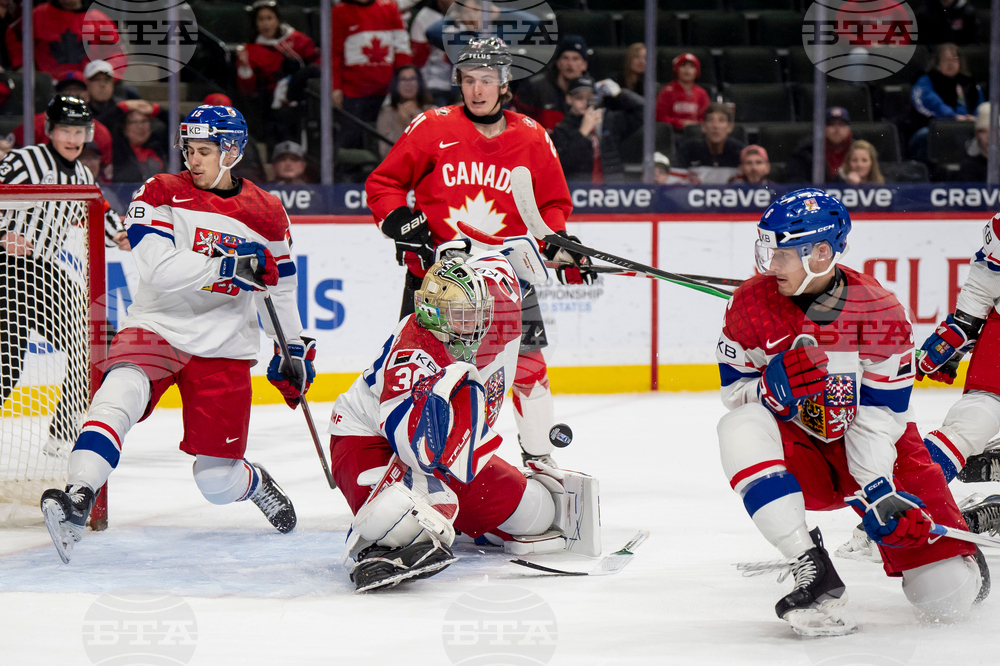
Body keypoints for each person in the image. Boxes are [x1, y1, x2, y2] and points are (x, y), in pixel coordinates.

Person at [39, 104, 308, 564]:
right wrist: (229, 265)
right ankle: (78, 496)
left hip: (224, 344)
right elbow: (157, 268)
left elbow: (279, 285)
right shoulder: (161, 190)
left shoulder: (266, 210)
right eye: (189, 149)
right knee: (117, 393)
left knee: (215, 482)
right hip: (157, 326)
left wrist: (293, 349)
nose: (193, 160)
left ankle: (253, 483)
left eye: (205, 150)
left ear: (232, 152)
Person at [716, 188, 988, 636]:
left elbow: (880, 419)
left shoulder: (881, 312)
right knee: (739, 425)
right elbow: (734, 391)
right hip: (803, 447)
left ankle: (968, 538)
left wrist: (878, 492)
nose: (771, 265)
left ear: (821, 253)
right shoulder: (749, 305)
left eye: (782, 254)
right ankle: (811, 565)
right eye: (768, 251)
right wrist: (768, 392)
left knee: (947, 600)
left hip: (881, 450)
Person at [366, 37, 594, 471]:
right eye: (468, 80)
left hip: (505, 280)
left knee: (528, 366)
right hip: (438, 280)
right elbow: (383, 184)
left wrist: (558, 241)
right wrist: (401, 223)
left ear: (504, 84)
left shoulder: (531, 136)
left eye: (486, 80)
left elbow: (550, 204)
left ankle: (540, 459)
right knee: (418, 371)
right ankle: (407, 460)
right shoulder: (431, 127)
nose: (476, 89)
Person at [327, 247, 600, 590]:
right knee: (402, 515)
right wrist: (437, 482)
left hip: (430, 452)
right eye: (461, 315)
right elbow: (410, 442)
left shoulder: (453, 335)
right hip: (364, 441)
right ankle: (376, 550)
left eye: (477, 314)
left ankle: (457, 521)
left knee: (536, 512)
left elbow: (498, 261)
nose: (474, 325)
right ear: (433, 312)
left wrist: (520, 255)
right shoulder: (413, 353)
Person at [0, 96, 126, 463]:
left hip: (41, 272)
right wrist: (2, 236)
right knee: (8, 364)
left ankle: (62, 431)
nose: (73, 139)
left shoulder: (83, 175)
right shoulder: (24, 161)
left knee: (96, 338)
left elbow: (99, 211)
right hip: (5, 268)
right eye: (66, 131)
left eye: (79, 131)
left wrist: (121, 235)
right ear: (50, 131)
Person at [331, 0, 412, 151]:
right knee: (350, 139)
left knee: (390, 137)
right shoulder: (340, 11)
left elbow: (402, 49)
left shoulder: (390, 7)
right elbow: (334, 54)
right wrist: (336, 87)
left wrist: (403, 85)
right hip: (354, 91)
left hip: (387, 89)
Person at [236, 0, 319, 143]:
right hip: (273, 100)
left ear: (278, 20)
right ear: (255, 23)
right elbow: (248, 90)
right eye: (261, 19)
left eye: (269, 18)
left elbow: (317, 61)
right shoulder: (251, 50)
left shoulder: (297, 39)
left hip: (306, 91)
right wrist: (244, 65)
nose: (265, 24)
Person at [551, 75, 643, 183]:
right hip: (581, 189)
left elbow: (645, 112)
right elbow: (563, 164)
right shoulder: (562, 129)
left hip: (612, 188)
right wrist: (583, 132)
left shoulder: (608, 120)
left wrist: (619, 93)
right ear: (569, 99)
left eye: (590, 98)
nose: (585, 102)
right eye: (579, 98)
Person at [4, 0, 125, 82]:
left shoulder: (99, 20)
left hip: (88, 87)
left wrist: (105, 78)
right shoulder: (38, 15)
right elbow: (14, 36)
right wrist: (22, 65)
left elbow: (116, 53)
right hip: (47, 86)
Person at [909, 43, 983, 162]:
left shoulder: (969, 84)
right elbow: (930, 101)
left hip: (966, 129)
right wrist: (953, 117)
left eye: (955, 60)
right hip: (934, 128)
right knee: (925, 135)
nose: (951, 64)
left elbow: (981, 108)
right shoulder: (926, 81)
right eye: (946, 60)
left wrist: (977, 119)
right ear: (937, 63)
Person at [513, 34, 591, 131]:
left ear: (584, 65)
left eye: (575, 59)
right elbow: (516, 121)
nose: (570, 63)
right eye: (565, 58)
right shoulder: (534, 88)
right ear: (558, 62)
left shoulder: (590, 91)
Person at [674, 103, 745, 183]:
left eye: (721, 120)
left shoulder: (740, 152)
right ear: (703, 126)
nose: (715, 126)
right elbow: (674, 182)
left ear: (730, 127)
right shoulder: (688, 149)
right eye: (711, 120)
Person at [376, 65, 436, 158]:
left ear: (420, 82)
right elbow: (385, 152)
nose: (408, 84)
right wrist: (401, 125)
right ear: (396, 84)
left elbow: (437, 147)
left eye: (412, 79)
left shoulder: (433, 111)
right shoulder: (387, 113)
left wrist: (416, 121)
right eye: (403, 79)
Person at [409, 0, 457, 108]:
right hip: (435, 86)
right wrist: (423, 88)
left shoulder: (468, 13)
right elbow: (418, 61)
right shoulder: (425, 17)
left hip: (463, 84)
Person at [786, 107, 854, 183]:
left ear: (848, 128)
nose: (837, 129)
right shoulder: (806, 153)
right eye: (831, 124)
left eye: (841, 124)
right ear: (823, 128)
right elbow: (796, 182)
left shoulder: (858, 150)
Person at [110, 103, 168, 183]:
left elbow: (181, 125)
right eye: (134, 122)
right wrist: (124, 107)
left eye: (144, 121)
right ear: (124, 128)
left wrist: (156, 110)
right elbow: (101, 123)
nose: (140, 127)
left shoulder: (160, 146)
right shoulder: (117, 150)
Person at [655, 53, 710, 131]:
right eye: (683, 65)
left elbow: (706, 118)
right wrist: (680, 123)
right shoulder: (666, 92)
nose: (687, 69)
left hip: (696, 132)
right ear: (676, 69)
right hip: (672, 132)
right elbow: (660, 117)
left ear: (697, 71)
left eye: (691, 66)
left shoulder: (702, 93)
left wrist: (695, 125)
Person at [956, 102, 990, 182]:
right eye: (983, 131)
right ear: (977, 135)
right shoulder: (969, 167)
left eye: (996, 130)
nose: (989, 136)